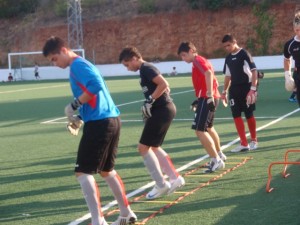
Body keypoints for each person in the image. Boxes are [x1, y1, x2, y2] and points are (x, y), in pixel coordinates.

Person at [42, 36, 136, 225]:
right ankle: (126, 213)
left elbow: (96, 86)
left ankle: (98, 220)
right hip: (110, 120)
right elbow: (96, 97)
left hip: (101, 123)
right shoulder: (82, 65)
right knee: (106, 171)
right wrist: (81, 118)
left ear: (63, 50)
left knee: (83, 172)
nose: (54, 63)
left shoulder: (77, 65)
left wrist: (74, 105)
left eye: (54, 58)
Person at [119, 46, 185, 199]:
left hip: (162, 110)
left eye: (127, 64)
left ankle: (161, 184)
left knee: (143, 148)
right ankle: (175, 178)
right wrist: (150, 104)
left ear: (135, 58)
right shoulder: (144, 70)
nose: (128, 69)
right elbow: (165, 87)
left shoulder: (146, 68)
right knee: (154, 147)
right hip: (163, 109)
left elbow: (163, 83)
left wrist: (150, 101)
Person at [177, 42, 226, 173]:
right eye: (181, 56)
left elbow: (209, 73)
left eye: (184, 55)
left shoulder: (197, 61)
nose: (183, 58)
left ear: (192, 51)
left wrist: (208, 95)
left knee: (200, 130)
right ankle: (219, 154)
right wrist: (201, 98)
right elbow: (209, 78)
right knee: (209, 128)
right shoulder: (201, 60)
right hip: (208, 97)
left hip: (208, 97)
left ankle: (216, 160)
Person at [221, 34, 258, 152]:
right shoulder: (227, 58)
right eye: (225, 46)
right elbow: (227, 76)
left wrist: (253, 89)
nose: (227, 48)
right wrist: (224, 91)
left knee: (249, 114)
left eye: (229, 45)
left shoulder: (244, 54)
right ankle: (243, 143)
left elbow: (254, 71)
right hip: (234, 90)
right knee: (236, 115)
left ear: (235, 42)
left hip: (246, 88)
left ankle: (254, 140)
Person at [284, 11, 300, 107]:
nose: (298, 32)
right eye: (296, 30)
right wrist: (288, 76)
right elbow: (287, 59)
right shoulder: (290, 44)